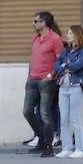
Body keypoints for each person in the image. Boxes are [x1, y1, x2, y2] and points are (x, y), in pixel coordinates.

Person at [26, 11, 64, 156]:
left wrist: (52, 75)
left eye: (36, 21)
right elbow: (33, 58)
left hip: (47, 81)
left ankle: (47, 146)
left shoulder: (55, 39)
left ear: (44, 23)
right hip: (32, 79)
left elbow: (60, 60)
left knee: (45, 113)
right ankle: (41, 138)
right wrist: (29, 75)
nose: (34, 24)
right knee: (27, 112)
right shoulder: (36, 38)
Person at [52, 25, 83, 158]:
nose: (68, 35)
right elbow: (56, 65)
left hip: (76, 86)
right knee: (64, 119)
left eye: (71, 33)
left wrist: (65, 65)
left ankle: (80, 149)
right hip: (63, 87)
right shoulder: (66, 50)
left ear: (77, 35)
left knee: (75, 119)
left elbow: (79, 65)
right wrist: (65, 66)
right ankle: (66, 147)